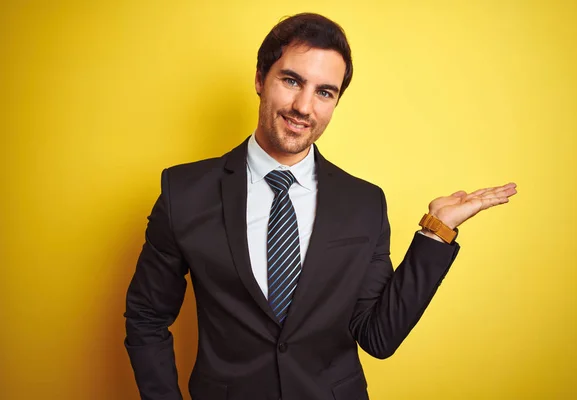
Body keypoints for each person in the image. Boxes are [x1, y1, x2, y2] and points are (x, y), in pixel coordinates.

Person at [124, 12, 517, 400]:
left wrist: (436, 232)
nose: (303, 107)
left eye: (324, 92)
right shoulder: (185, 191)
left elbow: (378, 336)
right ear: (260, 79)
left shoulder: (364, 203)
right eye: (292, 81)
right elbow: (146, 318)